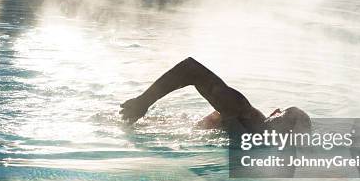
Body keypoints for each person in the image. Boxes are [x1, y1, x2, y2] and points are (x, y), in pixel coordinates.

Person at [120, 57, 311, 135]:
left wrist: (143, 103)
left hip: (179, 130)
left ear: (275, 112)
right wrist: (142, 102)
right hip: (171, 129)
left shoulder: (248, 123)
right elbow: (191, 68)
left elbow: (191, 70)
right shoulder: (241, 111)